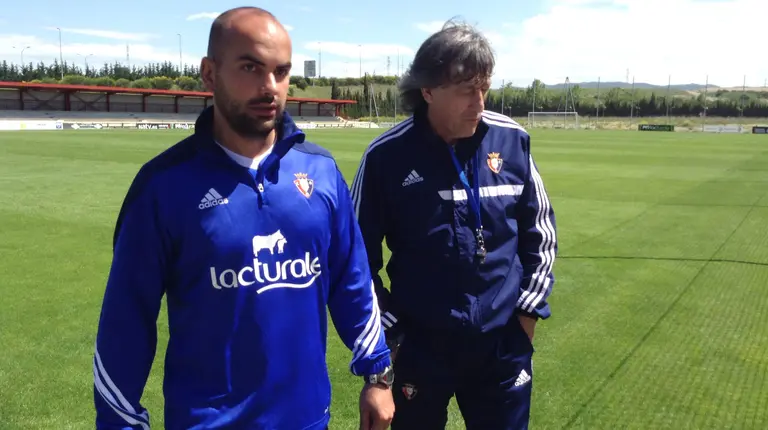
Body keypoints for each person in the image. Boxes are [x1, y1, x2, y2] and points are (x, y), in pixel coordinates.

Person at [92, 7, 394, 430]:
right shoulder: (162, 187)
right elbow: (126, 322)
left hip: (307, 421)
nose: (269, 86)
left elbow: (352, 280)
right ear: (210, 74)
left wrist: (378, 374)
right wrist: (120, 422)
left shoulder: (321, 173)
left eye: (281, 71)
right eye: (251, 67)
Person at [350, 20, 558, 430]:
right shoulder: (386, 157)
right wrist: (390, 331)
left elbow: (541, 231)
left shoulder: (511, 140)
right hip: (420, 345)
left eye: (484, 88)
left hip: (502, 343)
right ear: (427, 91)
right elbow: (355, 257)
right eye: (465, 90)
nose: (478, 102)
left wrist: (526, 317)